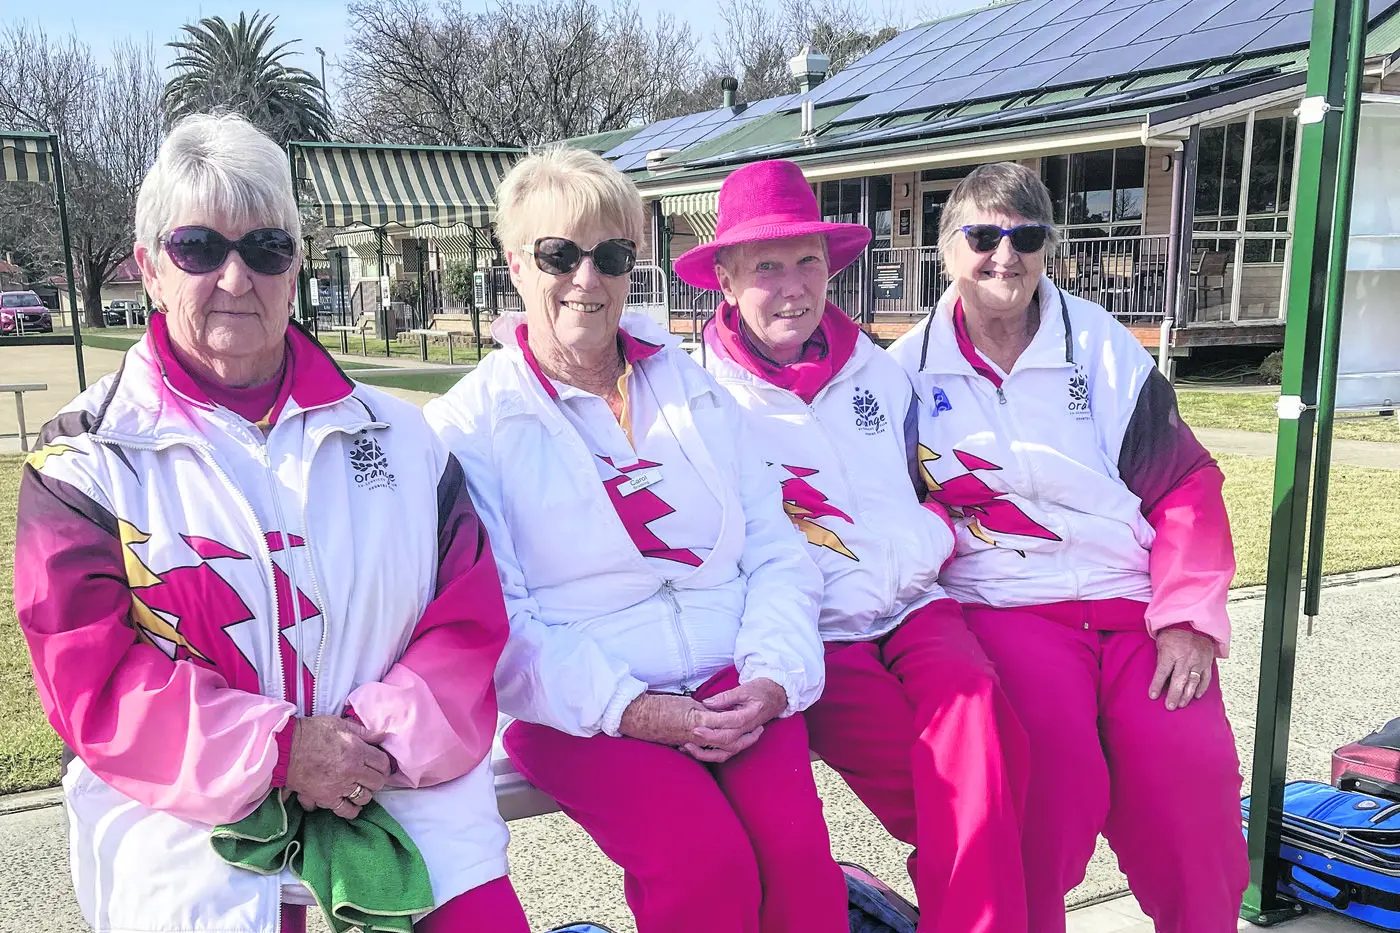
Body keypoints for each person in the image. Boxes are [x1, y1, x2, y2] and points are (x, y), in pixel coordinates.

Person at [12, 113, 528, 933]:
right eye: (198, 248)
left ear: (294, 268)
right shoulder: (83, 463)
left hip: (399, 791)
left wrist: (364, 743)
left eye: (265, 248)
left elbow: (468, 623)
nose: (235, 277)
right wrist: (283, 752)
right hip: (185, 832)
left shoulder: (406, 439)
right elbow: (96, 680)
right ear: (148, 267)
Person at [425, 146, 847, 933]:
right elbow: (501, 624)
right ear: (515, 263)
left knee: (799, 868)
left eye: (611, 255)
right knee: (704, 869)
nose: (588, 279)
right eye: (560, 254)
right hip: (584, 704)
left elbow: (776, 550)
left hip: (733, 678)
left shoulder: (694, 385)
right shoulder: (466, 427)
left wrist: (773, 675)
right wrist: (637, 708)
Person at [888, 162, 1248, 933]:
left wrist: (1187, 614)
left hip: (1132, 606)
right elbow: (889, 514)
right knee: (1040, 790)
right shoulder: (905, 376)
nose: (1004, 256)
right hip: (1009, 606)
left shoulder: (1102, 346)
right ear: (946, 247)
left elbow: (1184, 484)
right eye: (982, 236)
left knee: (1191, 781)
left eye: (1026, 236)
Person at [681, 158, 1029, 933]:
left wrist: (931, 536)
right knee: (965, 798)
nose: (794, 285)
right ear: (726, 281)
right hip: (821, 635)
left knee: (982, 729)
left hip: (919, 607)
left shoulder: (882, 367)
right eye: (766, 266)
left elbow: (935, 477)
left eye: (808, 261)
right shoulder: (699, 396)